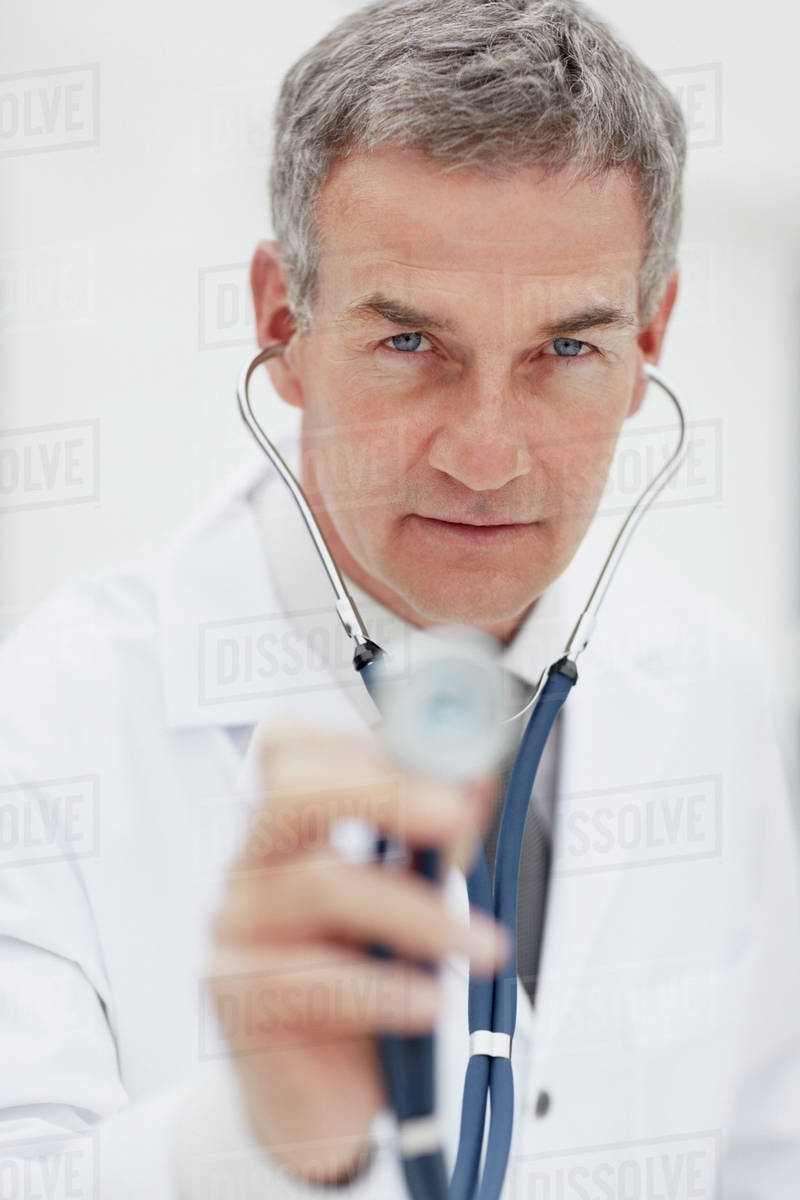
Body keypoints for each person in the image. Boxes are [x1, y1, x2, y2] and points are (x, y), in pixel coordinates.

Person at [1, 1, 798, 1197]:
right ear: (283, 323)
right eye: (410, 344)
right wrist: (255, 1140)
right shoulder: (45, 727)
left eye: (566, 350)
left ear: (649, 339)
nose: (485, 456)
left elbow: (762, 1152)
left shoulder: (714, 692)